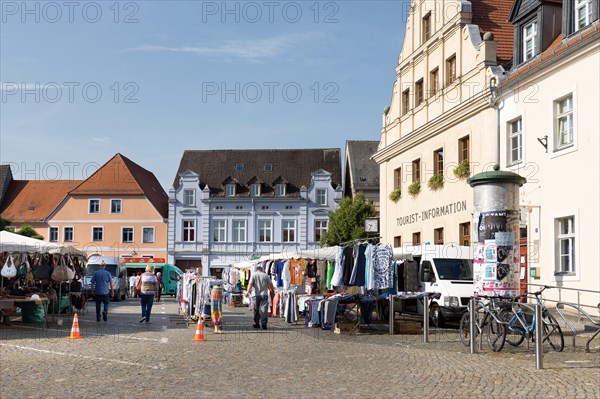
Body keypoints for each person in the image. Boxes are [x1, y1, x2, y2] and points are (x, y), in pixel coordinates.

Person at [244, 265, 273, 330]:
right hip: (264, 294)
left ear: (256, 270)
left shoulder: (253, 275)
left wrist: (247, 292)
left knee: (256, 310)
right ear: (262, 270)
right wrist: (273, 292)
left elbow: (250, 284)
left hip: (255, 295)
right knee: (264, 309)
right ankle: (264, 323)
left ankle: (257, 323)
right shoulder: (265, 275)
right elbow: (271, 285)